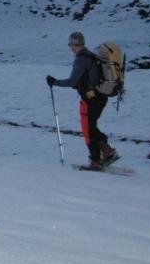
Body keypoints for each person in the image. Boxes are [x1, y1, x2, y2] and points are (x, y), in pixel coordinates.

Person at [46, 31, 117, 170]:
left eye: (70, 44)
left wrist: (55, 82)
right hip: (101, 97)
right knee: (92, 126)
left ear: (74, 44)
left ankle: (96, 160)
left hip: (90, 100)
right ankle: (107, 150)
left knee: (88, 129)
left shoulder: (81, 59)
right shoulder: (91, 55)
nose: (70, 47)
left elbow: (72, 81)